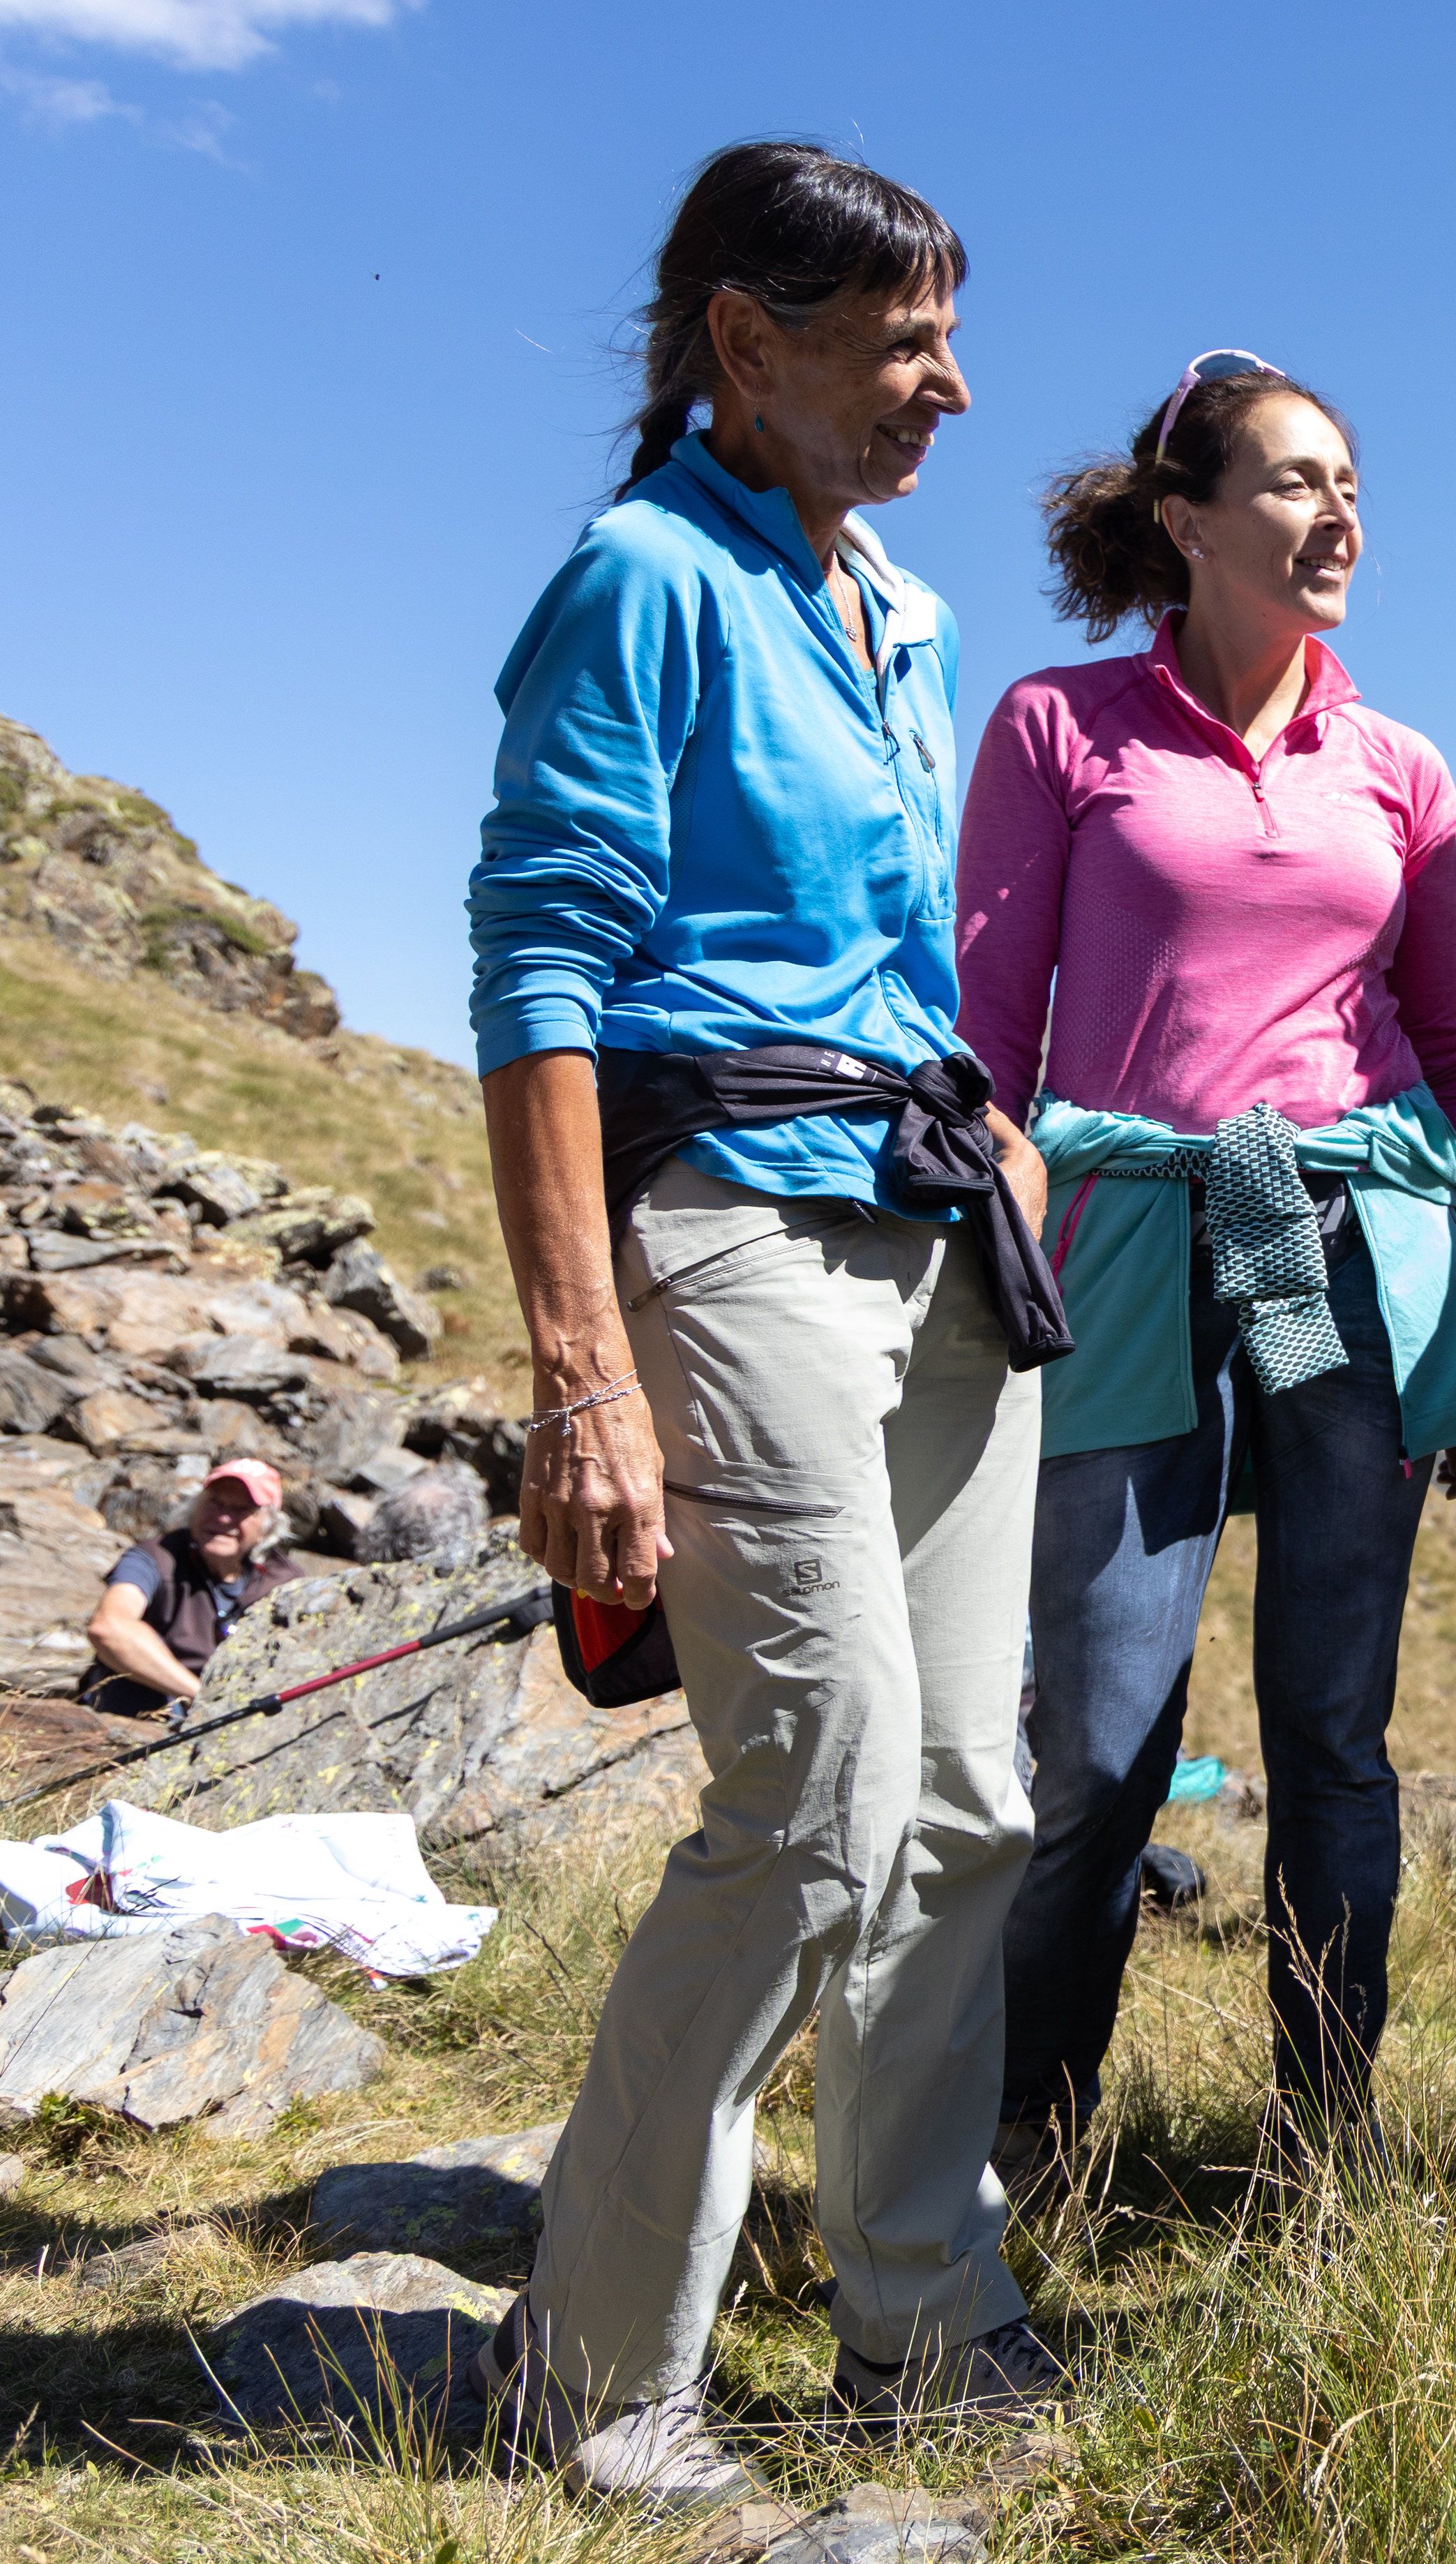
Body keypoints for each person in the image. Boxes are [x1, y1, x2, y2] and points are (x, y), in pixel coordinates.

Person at [465, 142, 1060, 2510]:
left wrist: (994, 1120)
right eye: (903, 339)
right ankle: (592, 2379)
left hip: (929, 1227)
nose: (950, 383)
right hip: (725, 1231)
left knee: (964, 1797)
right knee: (808, 1790)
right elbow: (540, 975)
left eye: (944, 332)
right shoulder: (638, 583)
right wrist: (581, 1368)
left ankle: (923, 2314)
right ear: (749, 338)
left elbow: (894, 957)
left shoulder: (900, 614)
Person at [958, 350, 1456, 2181]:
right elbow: (987, 1034)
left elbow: (1452, 1046)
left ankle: (1324, 2140)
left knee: (1336, 1737)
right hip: (1123, 1249)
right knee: (1104, 1745)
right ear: (1187, 521)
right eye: (1292, 480)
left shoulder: (1399, 767)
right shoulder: (1062, 730)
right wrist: (977, 1279)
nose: (1337, 510)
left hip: (1357, 1250)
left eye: (1351, 479)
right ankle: (1031, 2134)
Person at [74, 1459, 293, 1716]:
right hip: (144, 1710)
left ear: (268, 1527)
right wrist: (203, 1697)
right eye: (215, 1502)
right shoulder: (155, 1557)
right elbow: (109, 1627)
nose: (223, 1518)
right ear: (195, 1506)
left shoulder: (285, 1582)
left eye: (241, 1510)